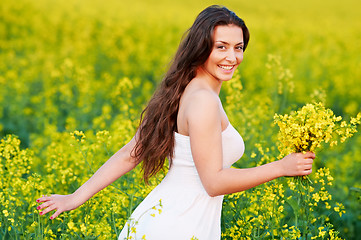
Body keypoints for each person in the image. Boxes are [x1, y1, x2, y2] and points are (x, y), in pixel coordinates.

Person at [36, 5, 315, 240]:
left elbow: (131, 152)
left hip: (167, 217)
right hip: (179, 225)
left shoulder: (185, 90)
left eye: (238, 47)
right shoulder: (203, 100)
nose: (232, 57)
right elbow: (214, 182)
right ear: (202, 47)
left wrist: (76, 197)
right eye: (221, 47)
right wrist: (281, 167)